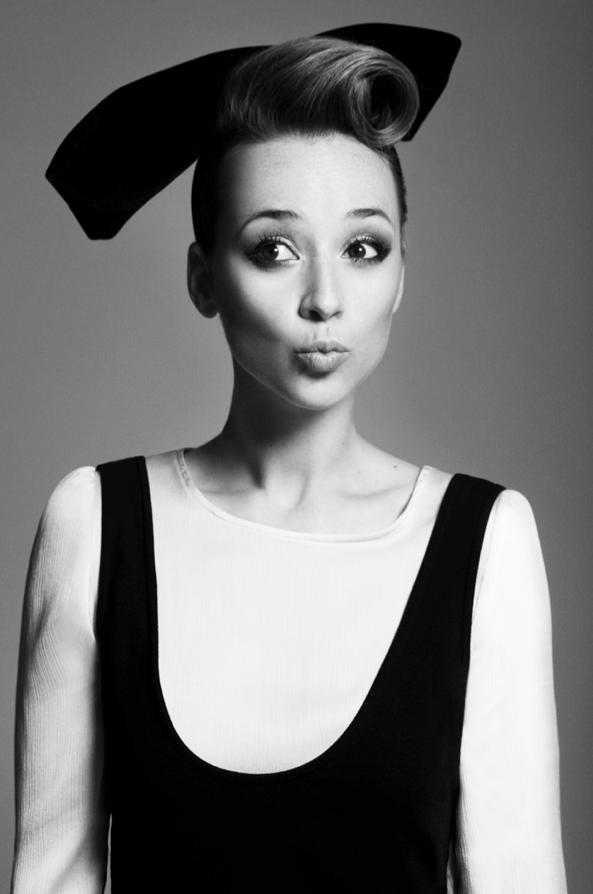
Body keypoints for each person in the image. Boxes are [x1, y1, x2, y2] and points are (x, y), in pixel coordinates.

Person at [10, 23, 568, 893]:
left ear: (400, 275)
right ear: (203, 278)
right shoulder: (95, 524)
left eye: (362, 248)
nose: (323, 299)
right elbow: (51, 877)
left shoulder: (485, 539)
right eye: (274, 248)